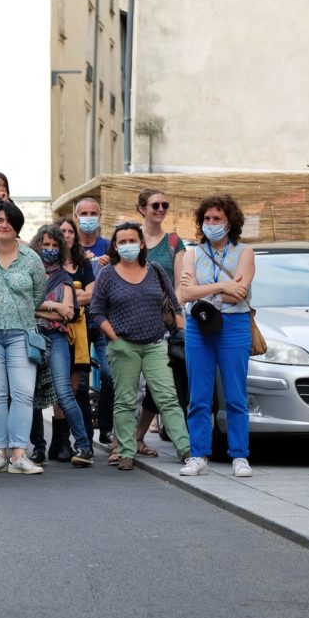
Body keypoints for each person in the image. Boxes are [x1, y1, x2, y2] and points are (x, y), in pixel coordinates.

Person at [89, 221, 193, 471]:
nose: (128, 245)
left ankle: (186, 450)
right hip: (123, 346)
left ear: (142, 243)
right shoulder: (107, 274)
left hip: (156, 345)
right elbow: (97, 311)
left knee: (167, 397)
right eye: (122, 242)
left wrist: (180, 333)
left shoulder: (155, 270)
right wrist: (114, 338)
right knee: (125, 401)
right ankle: (126, 452)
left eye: (132, 241)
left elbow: (175, 306)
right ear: (115, 246)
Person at [177, 195, 256, 478]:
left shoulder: (245, 252)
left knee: (235, 395)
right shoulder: (192, 253)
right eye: (207, 218)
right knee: (199, 395)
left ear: (229, 222)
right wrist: (223, 286)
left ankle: (240, 455)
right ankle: (198, 454)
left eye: (217, 218)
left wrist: (202, 289)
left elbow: (240, 294)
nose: (211, 223)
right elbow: (185, 293)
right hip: (199, 326)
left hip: (234, 326)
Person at [0, 202, 46, 475]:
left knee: (23, 394)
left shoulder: (31, 258)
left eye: (9, 221)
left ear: (17, 226)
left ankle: (19, 455)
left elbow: (39, 294)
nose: (3, 225)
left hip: (22, 333)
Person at [29, 224, 93, 466]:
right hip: (33, 338)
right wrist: (54, 307)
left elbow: (67, 314)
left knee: (64, 392)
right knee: (31, 394)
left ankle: (84, 447)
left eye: (55, 245)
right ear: (38, 245)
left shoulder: (64, 278)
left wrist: (38, 309)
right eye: (46, 244)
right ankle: (38, 449)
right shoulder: (30, 274)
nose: (50, 249)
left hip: (56, 338)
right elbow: (24, 306)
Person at [131, 188, 189, 453]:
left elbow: (180, 286)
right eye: (155, 205)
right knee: (129, 385)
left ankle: (139, 436)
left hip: (164, 325)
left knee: (161, 382)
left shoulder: (174, 242)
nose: (161, 209)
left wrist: (176, 320)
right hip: (132, 321)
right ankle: (123, 440)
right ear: (142, 209)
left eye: (165, 205)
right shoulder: (131, 239)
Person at [74, 196, 114, 446]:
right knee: (78, 381)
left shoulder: (109, 247)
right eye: (84, 214)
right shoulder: (69, 247)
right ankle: (85, 435)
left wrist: (111, 266)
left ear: (100, 216)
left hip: (103, 319)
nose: (89, 218)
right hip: (76, 321)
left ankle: (106, 427)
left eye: (93, 213)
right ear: (76, 217)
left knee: (110, 374)